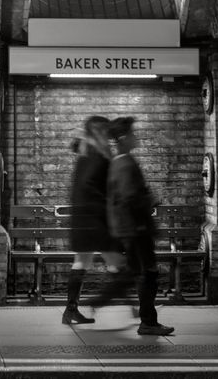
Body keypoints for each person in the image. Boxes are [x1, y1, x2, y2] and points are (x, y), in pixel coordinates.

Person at [93, 116, 174, 336]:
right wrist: (149, 201)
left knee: (137, 273)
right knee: (148, 274)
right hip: (136, 229)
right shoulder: (125, 163)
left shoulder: (119, 162)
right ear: (124, 138)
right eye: (132, 134)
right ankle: (147, 322)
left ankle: (105, 302)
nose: (136, 137)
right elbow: (130, 197)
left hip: (130, 229)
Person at [62, 115, 127, 326]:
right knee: (118, 264)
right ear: (99, 132)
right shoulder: (96, 156)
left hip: (83, 220)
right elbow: (92, 187)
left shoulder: (85, 153)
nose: (109, 138)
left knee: (82, 262)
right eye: (106, 133)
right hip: (96, 221)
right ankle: (118, 305)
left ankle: (71, 310)